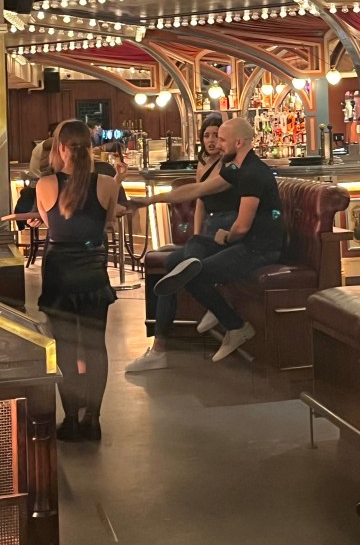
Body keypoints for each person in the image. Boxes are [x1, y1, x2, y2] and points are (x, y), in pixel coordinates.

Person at [125, 117, 283, 366]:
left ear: (238, 142)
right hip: (244, 243)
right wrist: (149, 201)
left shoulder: (253, 173)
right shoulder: (237, 169)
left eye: (222, 139)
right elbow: (198, 190)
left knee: (192, 273)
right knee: (174, 262)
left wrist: (227, 236)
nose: (217, 145)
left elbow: (242, 226)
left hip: (258, 249)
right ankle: (171, 339)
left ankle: (236, 326)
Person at [125, 115, 238, 372]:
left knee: (175, 270)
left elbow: (196, 192)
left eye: (218, 136)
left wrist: (149, 200)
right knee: (172, 271)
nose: (212, 141)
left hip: (227, 232)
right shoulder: (205, 163)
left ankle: (161, 348)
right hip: (210, 232)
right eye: (207, 136)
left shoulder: (232, 167)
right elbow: (201, 202)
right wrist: (195, 237)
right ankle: (161, 346)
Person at [35, 119, 123, 443]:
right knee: (95, 346)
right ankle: (93, 420)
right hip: (93, 271)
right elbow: (107, 222)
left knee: (64, 347)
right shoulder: (108, 184)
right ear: (91, 147)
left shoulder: (45, 184)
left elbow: (51, 224)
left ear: (60, 148)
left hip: (59, 272)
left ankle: (70, 419)